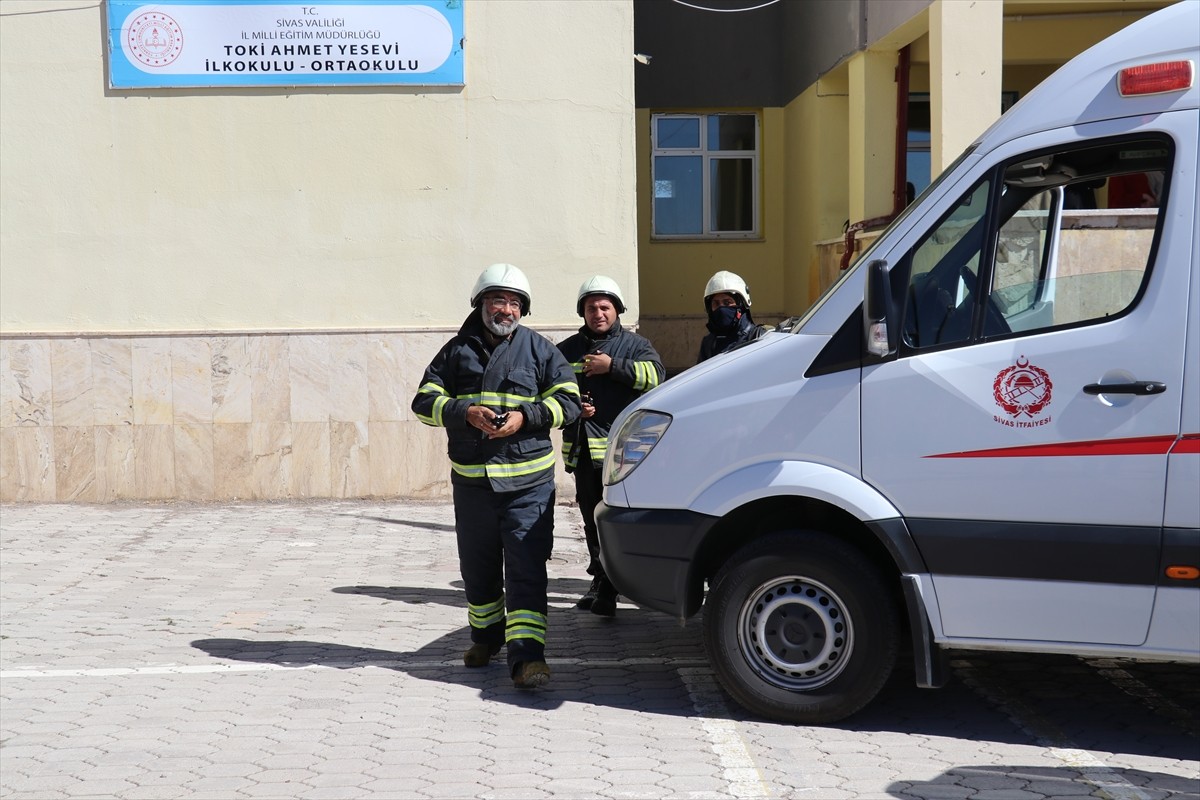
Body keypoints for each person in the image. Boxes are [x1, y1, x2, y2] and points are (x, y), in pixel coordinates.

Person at [411, 263, 581, 689]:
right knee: (477, 568)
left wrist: (526, 417)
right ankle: (486, 639)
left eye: (514, 303)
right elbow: (423, 402)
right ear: (480, 304)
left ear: (523, 309)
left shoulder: (540, 350)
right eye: (497, 300)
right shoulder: (456, 351)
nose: (506, 310)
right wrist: (464, 412)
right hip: (473, 485)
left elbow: (569, 401)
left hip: (528, 487)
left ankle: (528, 657)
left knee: (526, 568)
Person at [557, 276, 665, 617]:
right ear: (583, 312)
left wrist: (612, 367)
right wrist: (574, 408)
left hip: (624, 455)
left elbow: (657, 377)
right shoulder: (567, 350)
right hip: (583, 452)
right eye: (591, 307)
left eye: (605, 307)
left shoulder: (636, 345)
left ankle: (617, 582)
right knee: (592, 520)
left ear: (617, 310)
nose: (598, 313)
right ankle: (601, 580)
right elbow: (551, 391)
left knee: (619, 520)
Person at [697, 270, 769, 363]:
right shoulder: (708, 344)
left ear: (741, 305)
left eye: (727, 302)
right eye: (716, 303)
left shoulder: (760, 336)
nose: (721, 308)